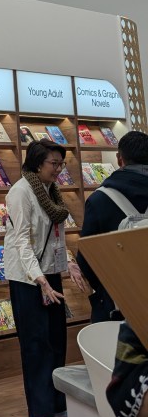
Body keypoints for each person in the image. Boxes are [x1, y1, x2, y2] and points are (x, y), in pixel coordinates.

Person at [3, 138, 88, 417]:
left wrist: (69, 263)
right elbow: (22, 242)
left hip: (50, 274)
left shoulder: (52, 192)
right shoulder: (20, 192)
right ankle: (39, 414)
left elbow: (55, 237)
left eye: (61, 164)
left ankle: (55, 402)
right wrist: (40, 280)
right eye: (54, 163)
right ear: (38, 163)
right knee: (36, 344)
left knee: (55, 339)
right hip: (28, 279)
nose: (59, 169)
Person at [77, 130, 148, 321]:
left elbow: (86, 257)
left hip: (117, 304)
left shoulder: (99, 199)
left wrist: (107, 288)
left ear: (119, 158)